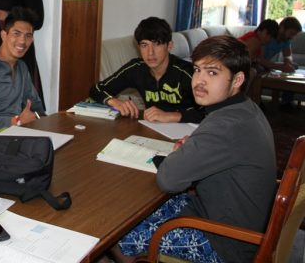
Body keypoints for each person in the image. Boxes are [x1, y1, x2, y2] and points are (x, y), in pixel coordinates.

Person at [111, 35, 276, 262]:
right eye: (197, 70)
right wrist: (194, 146)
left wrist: (181, 152)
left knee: (116, 234)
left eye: (212, 73)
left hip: (225, 241)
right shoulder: (245, 109)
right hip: (225, 215)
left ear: (237, 80)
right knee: (126, 212)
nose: (199, 80)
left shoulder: (224, 125)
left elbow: (169, 180)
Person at [89, 17, 203, 123]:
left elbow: (212, 112)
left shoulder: (188, 73)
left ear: (169, 46)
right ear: (139, 48)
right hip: (152, 128)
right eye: (144, 45)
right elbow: (96, 89)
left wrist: (171, 116)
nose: (150, 52)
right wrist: (114, 102)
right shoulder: (136, 69)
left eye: (157, 44)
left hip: (188, 133)